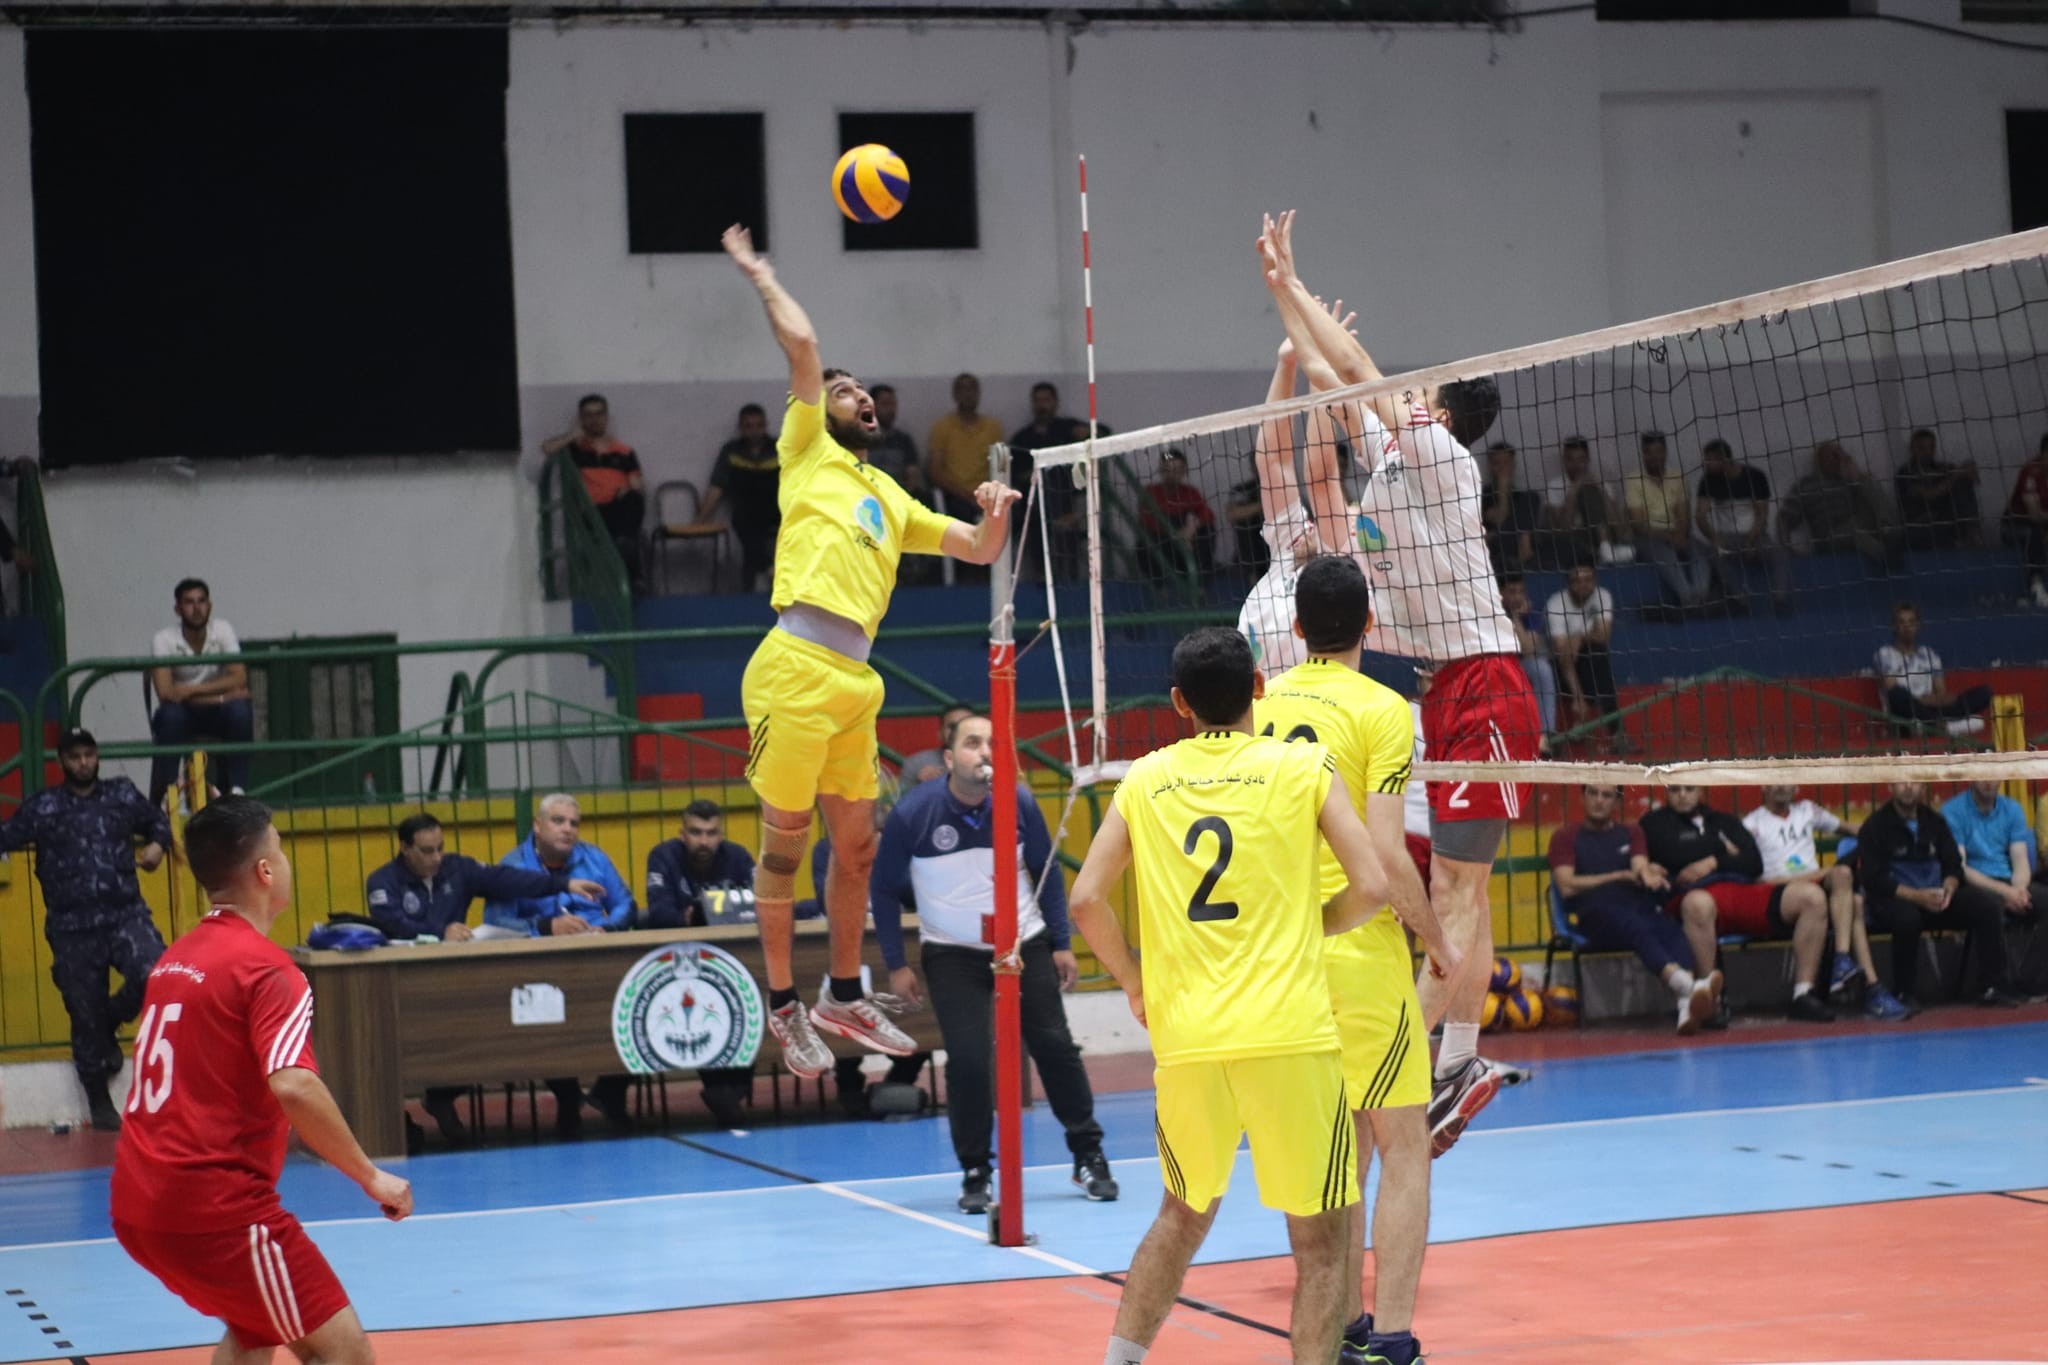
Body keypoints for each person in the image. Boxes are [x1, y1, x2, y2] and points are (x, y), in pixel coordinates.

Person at [1257, 209, 1539, 1157]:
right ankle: (1459, 1060)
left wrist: (1298, 285)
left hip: (1487, 682)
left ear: (1440, 414)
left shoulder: (1439, 455)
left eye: (1421, 391)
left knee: (1457, 889)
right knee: (1467, 890)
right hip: (1441, 688)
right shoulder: (1389, 468)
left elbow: (1359, 370)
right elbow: (1332, 376)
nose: (1401, 392)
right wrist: (1285, 295)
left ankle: (1415, 1066)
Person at [722, 223, 1019, 1079]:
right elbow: (804, 345)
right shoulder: (804, 450)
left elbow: (977, 548)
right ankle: (784, 1005)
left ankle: (842, 992)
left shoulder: (889, 493)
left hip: (855, 682)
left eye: (861, 392)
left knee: (855, 849)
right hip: (791, 668)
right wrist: (760, 274)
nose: (856, 395)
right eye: (843, 389)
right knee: (784, 847)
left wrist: (995, 509)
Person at [1068, 626, 1390, 1365]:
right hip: (1291, 1035)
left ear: (1179, 702)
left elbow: (1086, 900)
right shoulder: (1304, 766)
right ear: (1259, 689)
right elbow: (1373, 885)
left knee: (1180, 1216)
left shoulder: (1145, 778)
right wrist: (1313, 923)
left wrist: (1134, 982)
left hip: (1189, 1037)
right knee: (1321, 1242)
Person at [110, 797, 412, 1365]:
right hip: (216, 1211)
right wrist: (372, 1177)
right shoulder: (267, 968)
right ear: (266, 870)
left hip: (137, 1204)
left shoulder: (175, 960)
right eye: (281, 848)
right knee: (346, 1355)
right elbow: (294, 1085)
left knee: (255, 1328)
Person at [1256, 556, 1460, 1365]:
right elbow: (1384, 851)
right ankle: (1394, 1341)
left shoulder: (1262, 702)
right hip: (1361, 952)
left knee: (1328, 1152)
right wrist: (1437, 940)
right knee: (1402, 1144)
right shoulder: (1384, 707)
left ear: (1296, 627)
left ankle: (1341, 1328)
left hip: (1285, 952)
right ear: (1371, 624)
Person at [872, 713, 1113, 1214]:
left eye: (992, 744)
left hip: (1023, 943)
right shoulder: (913, 814)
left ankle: (1088, 1154)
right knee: (968, 1060)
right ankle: (976, 1169)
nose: (984, 752)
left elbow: (1045, 872)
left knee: (1055, 1047)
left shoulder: (1018, 802)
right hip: (952, 953)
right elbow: (883, 888)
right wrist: (897, 962)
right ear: (948, 758)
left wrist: (1061, 941)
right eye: (972, 743)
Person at [366, 811, 604, 1143]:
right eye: (427, 851)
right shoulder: (382, 882)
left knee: (518, 1017)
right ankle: (432, 1100)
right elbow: (390, 923)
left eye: (440, 848)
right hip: (409, 986)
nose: (437, 857)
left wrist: (563, 884)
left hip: (459, 980)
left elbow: (507, 879)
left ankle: (450, 1095)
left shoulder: (457, 868)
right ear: (405, 848)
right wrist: (439, 931)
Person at [0, 728, 170, 1130]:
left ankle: (111, 1016)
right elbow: (6, 835)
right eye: (74, 756)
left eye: (88, 755)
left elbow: (157, 821)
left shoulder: (121, 794)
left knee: (156, 972)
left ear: (97, 756)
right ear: (62, 761)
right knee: (84, 1011)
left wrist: (157, 846)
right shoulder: (44, 807)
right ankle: (98, 1097)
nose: (83, 763)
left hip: (125, 915)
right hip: (72, 927)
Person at [481, 793, 638, 1133]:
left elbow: (626, 904)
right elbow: (495, 923)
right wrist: (545, 927)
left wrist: (605, 928)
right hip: (539, 968)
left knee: (635, 999)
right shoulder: (512, 865)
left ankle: (610, 1092)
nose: (568, 829)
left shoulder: (595, 858)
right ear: (537, 826)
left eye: (574, 823)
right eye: (558, 821)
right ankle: (568, 1097)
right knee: (543, 1019)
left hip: (596, 958)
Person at [1642, 784, 1836, 1022]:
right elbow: (1671, 854)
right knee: (1698, 904)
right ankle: (1709, 1000)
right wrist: (1723, 849)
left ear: (1700, 791)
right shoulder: (1654, 823)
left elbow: (1754, 862)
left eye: (1689, 789)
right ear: (1666, 792)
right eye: (1675, 790)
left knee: (1811, 897)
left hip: (1743, 892)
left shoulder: (1723, 820)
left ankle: (1804, 994)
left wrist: (1712, 862)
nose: (1682, 795)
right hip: (1695, 895)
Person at [1550, 785, 1721, 1034]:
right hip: (1593, 915)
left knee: (1668, 927)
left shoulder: (1631, 832)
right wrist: (1617, 876)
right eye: (1593, 794)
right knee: (1632, 923)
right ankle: (1688, 986)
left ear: (1617, 802)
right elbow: (1566, 886)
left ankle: (1686, 1006)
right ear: (1582, 797)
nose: (1599, 801)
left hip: (1634, 907)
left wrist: (1647, 874)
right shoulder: (1565, 836)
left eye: (1607, 795)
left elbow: (1639, 865)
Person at [1742, 786, 1911, 1021]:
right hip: (1781, 894)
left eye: (1787, 779)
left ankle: (1853, 971)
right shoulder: (1751, 824)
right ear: (1763, 786)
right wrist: (1816, 875)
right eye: (1776, 779)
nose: (1782, 786)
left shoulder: (1807, 810)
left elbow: (1853, 829)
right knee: (1845, 891)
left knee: (1851, 892)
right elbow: (1757, 880)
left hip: (1817, 888)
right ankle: (1865, 985)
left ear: (1797, 787)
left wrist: (1887, 834)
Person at [1857, 782, 2024, 1008]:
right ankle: (1904, 992)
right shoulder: (1875, 825)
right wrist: (1917, 896)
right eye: (1902, 781)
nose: (1909, 787)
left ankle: (1992, 987)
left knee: (1987, 905)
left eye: (1915, 782)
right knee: (1907, 918)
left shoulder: (1934, 821)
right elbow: (1874, 879)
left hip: (1937, 898)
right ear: (1890, 786)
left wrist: (1948, 889)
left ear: (1923, 788)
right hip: (1895, 898)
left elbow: (1953, 865)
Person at [149, 577, 254, 804]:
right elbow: (166, 693)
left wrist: (188, 691)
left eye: (202, 601)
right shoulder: (163, 639)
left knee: (240, 711)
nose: (197, 608)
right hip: (183, 714)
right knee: (170, 716)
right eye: (189, 602)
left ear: (210, 605)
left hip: (214, 712)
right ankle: (168, 795)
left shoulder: (223, 629)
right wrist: (223, 696)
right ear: (178, 609)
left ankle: (237, 790)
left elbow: (239, 677)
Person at [1940, 780, 2048, 995]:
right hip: (1971, 883)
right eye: (1983, 775)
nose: (1989, 781)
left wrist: (2018, 891)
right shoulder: (1951, 811)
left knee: (2045, 899)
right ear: (1971, 776)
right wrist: (2004, 892)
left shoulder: (2013, 809)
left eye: (1993, 775)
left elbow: (2020, 861)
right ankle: (1994, 985)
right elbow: (1960, 868)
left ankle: (2032, 981)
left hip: (2008, 881)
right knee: (1987, 906)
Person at [541, 393, 647, 588]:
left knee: (633, 502)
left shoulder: (623, 451)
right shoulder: (575, 449)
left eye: (599, 414)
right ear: (581, 419)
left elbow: (637, 485)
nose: (594, 420)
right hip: (592, 512)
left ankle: (626, 560)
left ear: (606, 417)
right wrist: (573, 435)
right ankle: (632, 575)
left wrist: (626, 489)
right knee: (623, 539)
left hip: (619, 508)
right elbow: (547, 448)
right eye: (588, 415)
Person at [1694, 437, 1791, 613]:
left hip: (1755, 535)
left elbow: (1762, 515)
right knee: (1712, 554)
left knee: (1779, 554)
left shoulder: (1755, 477)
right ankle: (1739, 599)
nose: (1705, 464)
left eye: (1709, 460)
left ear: (1723, 459)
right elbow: (1700, 517)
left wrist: (1751, 541)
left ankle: (1780, 600)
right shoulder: (1708, 481)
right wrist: (1713, 537)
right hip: (1727, 538)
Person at [1779, 438, 1903, 574]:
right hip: (1829, 536)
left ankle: (1889, 530)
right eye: (1834, 455)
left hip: (1854, 524)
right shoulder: (1806, 484)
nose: (1838, 459)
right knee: (1856, 534)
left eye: (1840, 454)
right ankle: (1885, 556)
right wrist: (1787, 549)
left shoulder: (1847, 481)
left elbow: (1871, 501)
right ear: (1820, 460)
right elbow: (1785, 517)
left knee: (1870, 483)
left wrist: (1857, 476)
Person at [696, 403, 784, 592]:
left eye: (759, 426)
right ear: (741, 428)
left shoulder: (780, 449)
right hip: (746, 512)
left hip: (777, 510)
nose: (754, 431)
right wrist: (700, 520)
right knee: (748, 532)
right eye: (749, 426)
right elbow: (716, 488)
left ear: (765, 426)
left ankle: (762, 577)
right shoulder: (731, 451)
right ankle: (766, 569)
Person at [1622, 431, 1711, 611]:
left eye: (1659, 451)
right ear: (1643, 454)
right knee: (1666, 556)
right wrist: (1668, 537)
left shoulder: (1677, 477)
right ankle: (1687, 598)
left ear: (1665, 452)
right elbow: (1638, 524)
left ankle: (1702, 595)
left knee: (1700, 552)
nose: (1655, 457)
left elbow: (1683, 515)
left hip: (1677, 533)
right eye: (1649, 452)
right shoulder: (1633, 480)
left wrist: (1680, 535)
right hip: (1647, 537)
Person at [1875, 601, 1992, 736]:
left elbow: (1941, 693)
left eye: (1911, 622)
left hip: (1930, 710)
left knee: (1984, 693)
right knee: (1898, 695)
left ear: (1918, 625)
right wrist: (1920, 701)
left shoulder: (1929, 654)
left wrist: (1931, 701)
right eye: (1901, 622)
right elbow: (1891, 688)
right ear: (1894, 626)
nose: (1907, 626)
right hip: (1903, 716)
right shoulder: (1884, 654)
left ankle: (1931, 726)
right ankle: (1944, 727)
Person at [1544, 563, 1625, 747]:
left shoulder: (1602, 596)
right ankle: (1575, 728)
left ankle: (1616, 734)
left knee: (1597, 655)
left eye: (1588, 580)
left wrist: (1579, 637)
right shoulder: (1555, 604)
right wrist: (1578, 697)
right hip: (1558, 668)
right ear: (1568, 583)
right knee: (1588, 658)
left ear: (1595, 580)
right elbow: (1563, 655)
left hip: (1589, 662)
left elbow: (1603, 635)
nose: (1583, 585)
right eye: (1577, 581)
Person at [645, 800, 758, 928]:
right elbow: (659, 913)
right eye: (696, 832)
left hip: (734, 937)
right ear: (682, 835)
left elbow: (763, 903)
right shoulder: (663, 856)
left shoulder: (739, 857)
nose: (704, 842)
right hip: (681, 938)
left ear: (721, 836)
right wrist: (688, 919)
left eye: (711, 833)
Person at [926, 372, 1007, 523]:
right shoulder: (942, 428)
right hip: (956, 495)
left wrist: (991, 491)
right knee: (962, 511)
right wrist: (965, 494)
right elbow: (935, 472)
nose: (968, 394)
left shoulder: (993, 427)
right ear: (955, 394)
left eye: (972, 389)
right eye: (963, 389)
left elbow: (1002, 468)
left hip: (988, 493)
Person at [1894, 427, 1981, 550]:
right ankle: (1957, 543)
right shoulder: (1905, 473)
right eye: (1922, 448)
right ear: (1912, 449)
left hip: (1945, 522)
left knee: (1963, 482)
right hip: (1920, 526)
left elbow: (1970, 479)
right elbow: (1929, 494)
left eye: (1931, 447)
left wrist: (1968, 469)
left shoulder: (1943, 468)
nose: (1927, 452)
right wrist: (1956, 475)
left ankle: (1973, 536)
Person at [1542, 436, 1622, 568]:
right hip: (1572, 538)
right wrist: (1574, 490)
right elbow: (1562, 526)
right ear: (1564, 460)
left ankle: (1604, 547)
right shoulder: (1554, 485)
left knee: (1590, 491)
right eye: (1570, 459)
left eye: (1581, 460)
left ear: (1587, 459)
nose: (1576, 465)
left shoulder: (1602, 484)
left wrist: (1599, 489)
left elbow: (1617, 524)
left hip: (1600, 535)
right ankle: (1602, 552)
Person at [1139, 448, 1218, 580]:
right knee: (1144, 543)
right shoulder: (1151, 492)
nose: (1173, 474)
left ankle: (1201, 585)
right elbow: (1149, 520)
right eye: (1168, 469)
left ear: (1184, 471)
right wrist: (1177, 535)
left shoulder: (1190, 492)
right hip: (1161, 542)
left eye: (1178, 469)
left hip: (1186, 542)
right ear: (1161, 470)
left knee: (1207, 530)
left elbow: (1208, 513)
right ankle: (1159, 588)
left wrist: (1191, 528)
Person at [1498, 576, 1557, 742]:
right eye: (1512, 592)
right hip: (1496, 664)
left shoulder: (1531, 612)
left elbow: (1528, 650)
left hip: (1520, 664)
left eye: (1521, 591)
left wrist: (1516, 618)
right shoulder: (1491, 611)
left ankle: (1545, 735)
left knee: (1542, 668)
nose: (1518, 597)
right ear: (1501, 593)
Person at [1479, 442, 1544, 574]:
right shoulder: (1484, 494)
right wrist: (1502, 490)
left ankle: (1524, 547)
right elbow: (1499, 520)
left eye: (1506, 463)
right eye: (1497, 463)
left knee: (1532, 496)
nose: (1502, 468)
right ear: (1490, 466)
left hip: (1521, 545)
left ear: (1513, 465)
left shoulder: (1521, 496)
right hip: (1496, 547)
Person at [2001, 433, 2048, 607]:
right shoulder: (2030, 472)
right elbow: (2034, 515)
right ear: (2043, 454)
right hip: (2013, 527)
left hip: (2044, 526)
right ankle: (2036, 586)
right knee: (2034, 533)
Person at [866, 384, 924, 494]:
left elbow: (912, 475)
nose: (891, 410)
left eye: (893, 404)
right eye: (885, 404)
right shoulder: (858, 440)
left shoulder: (904, 440)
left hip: (898, 496)